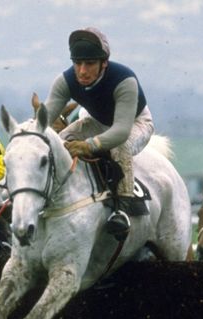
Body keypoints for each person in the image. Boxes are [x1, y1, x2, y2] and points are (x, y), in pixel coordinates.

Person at [43, 27, 154, 239]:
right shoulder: (65, 80)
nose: (82, 71)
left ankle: (122, 210)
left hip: (135, 124)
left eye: (90, 63)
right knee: (60, 141)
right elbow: (42, 122)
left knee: (120, 148)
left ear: (104, 63)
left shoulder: (124, 80)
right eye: (77, 63)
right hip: (98, 122)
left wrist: (89, 145)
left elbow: (120, 132)